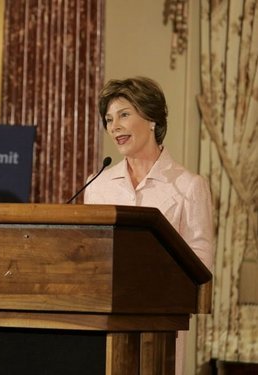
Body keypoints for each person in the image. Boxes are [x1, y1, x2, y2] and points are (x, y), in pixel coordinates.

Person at [83, 76, 214, 375]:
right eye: (109, 119)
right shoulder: (96, 186)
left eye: (124, 114)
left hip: (161, 328)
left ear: (152, 119)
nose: (114, 126)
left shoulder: (189, 187)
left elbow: (200, 265)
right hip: (104, 327)